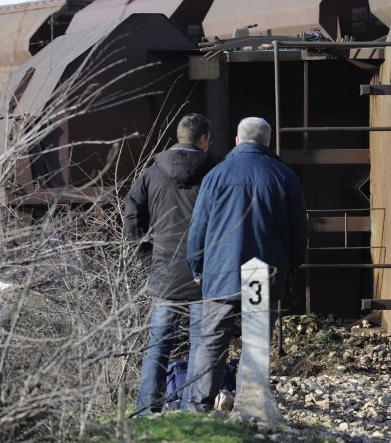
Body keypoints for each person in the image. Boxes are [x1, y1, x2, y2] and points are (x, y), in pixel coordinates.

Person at [185, 117, 307, 412]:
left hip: (220, 271)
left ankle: (197, 409)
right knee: (254, 342)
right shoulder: (284, 176)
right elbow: (298, 233)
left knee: (212, 342)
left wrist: (198, 268)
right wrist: (290, 269)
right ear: (267, 142)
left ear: (237, 141)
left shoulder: (216, 175)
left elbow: (197, 229)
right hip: (262, 272)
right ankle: (250, 407)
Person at [124, 113, 216, 415]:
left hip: (164, 272)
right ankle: (193, 409)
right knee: (201, 346)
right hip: (205, 274)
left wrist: (147, 256)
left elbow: (132, 216)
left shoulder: (151, 174)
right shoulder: (215, 171)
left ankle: (147, 409)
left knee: (157, 346)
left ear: (179, 137)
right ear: (203, 139)